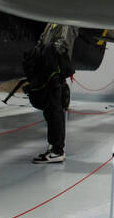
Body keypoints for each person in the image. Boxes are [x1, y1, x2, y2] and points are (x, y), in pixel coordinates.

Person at [23, 23, 77, 164]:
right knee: (50, 111)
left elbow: (61, 46)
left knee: (55, 110)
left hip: (55, 71)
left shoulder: (66, 23)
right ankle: (54, 146)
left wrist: (45, 52)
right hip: (48, 70)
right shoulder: (51, 23)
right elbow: (42, 40)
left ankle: (57, 150)